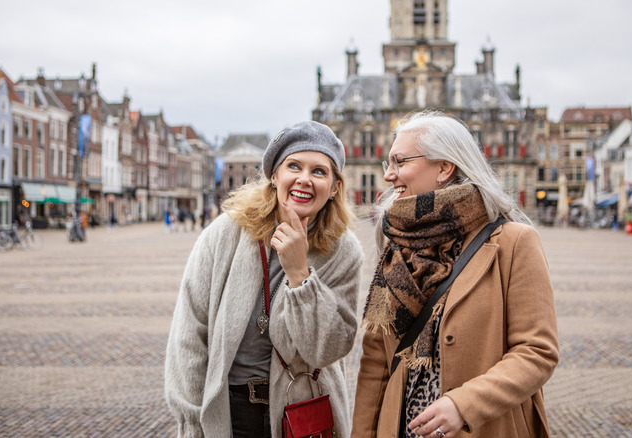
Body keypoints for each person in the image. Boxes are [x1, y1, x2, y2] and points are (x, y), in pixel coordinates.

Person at [352, 111, 559, 438]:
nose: (389, 175)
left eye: (400, 162)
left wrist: (465, 405)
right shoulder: (398, 247)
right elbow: (376, 364)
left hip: (487, 427)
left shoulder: (514, 243)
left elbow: (537, 352)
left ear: (445, 168)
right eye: (386, 164)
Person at [165, 120, 364, 438]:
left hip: (302, 411)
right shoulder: (226, 233)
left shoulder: (343, 250)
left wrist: (300, 274)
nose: (304, 179)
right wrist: (190, 420)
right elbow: (190, 333)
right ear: (274, 175)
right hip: (231, 410)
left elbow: (328, 349)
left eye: (319, 171)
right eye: (294, 166)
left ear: (335, 187)